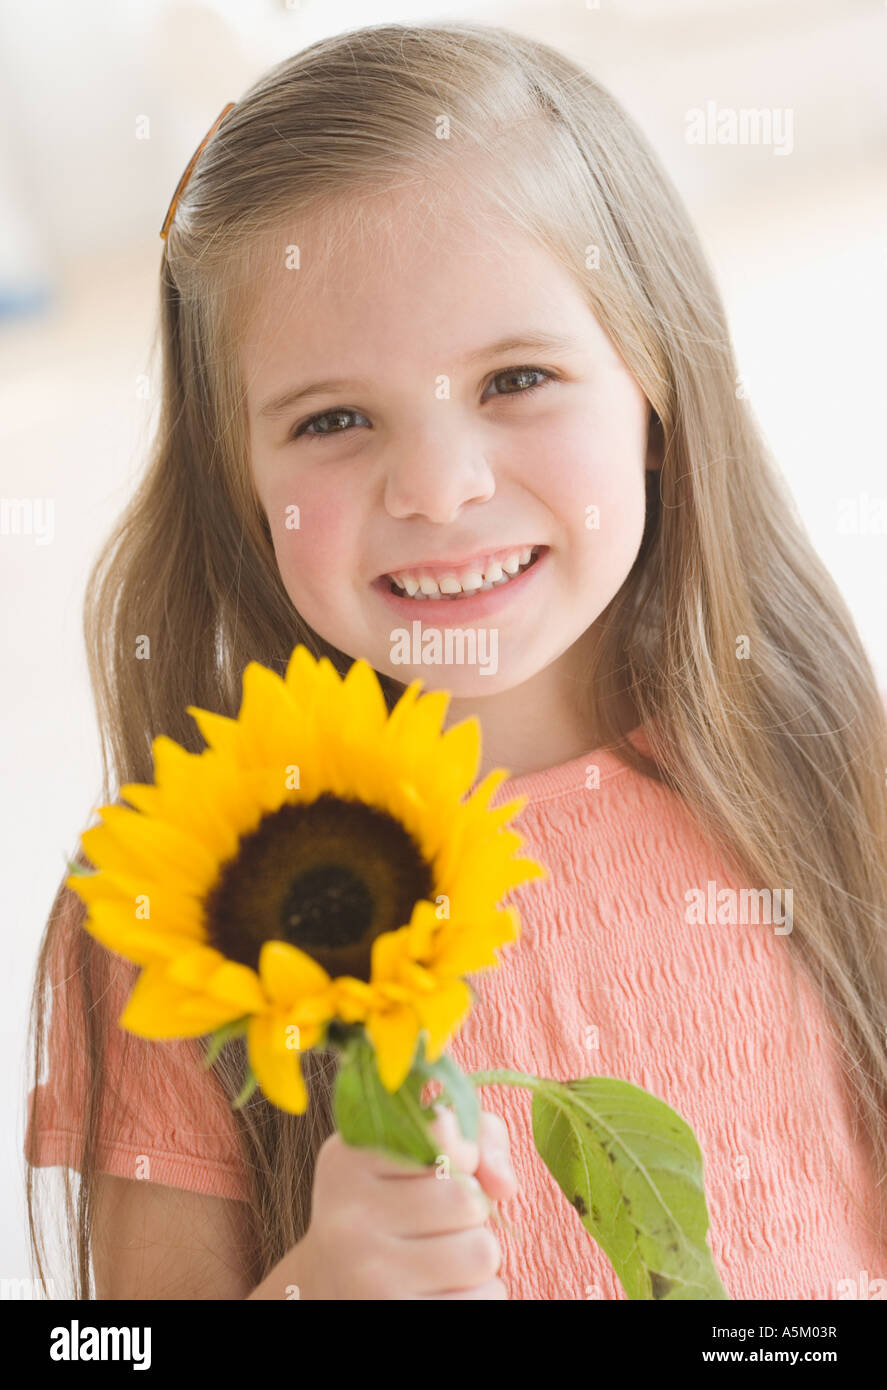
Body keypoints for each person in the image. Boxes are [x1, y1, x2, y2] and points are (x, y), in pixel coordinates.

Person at [24, 21, 887, 1301]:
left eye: (517, 378)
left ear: (656, 392)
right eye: (331, 418)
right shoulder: (168, 909)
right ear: (235, 480)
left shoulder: (824, 771)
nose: (437, 487)